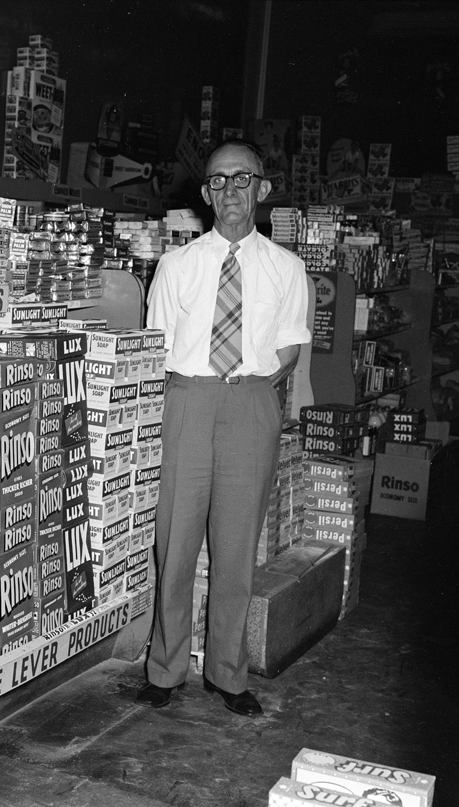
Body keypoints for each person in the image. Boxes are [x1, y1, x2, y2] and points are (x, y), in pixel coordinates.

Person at [138, 138, 312, 716]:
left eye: (242, 179)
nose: (230, 190)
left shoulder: (288, 268)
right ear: (206, 192)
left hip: (251, 404)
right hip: (186, 400)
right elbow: (157, 345)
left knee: (237, 550)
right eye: (218, 180)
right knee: (176, 541)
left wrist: (245, 380)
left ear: (263, 189)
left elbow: (289, 348)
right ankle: (164, 668)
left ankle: (227, 675)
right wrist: (202, 387)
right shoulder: (176, 264)